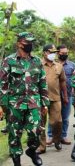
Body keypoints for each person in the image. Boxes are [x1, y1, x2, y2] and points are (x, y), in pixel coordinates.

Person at [0, 32, 49, 166]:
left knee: (36, 130)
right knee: (14, 135)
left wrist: (45, 103)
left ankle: (32, 151)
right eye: (27, 43)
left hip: (34, 103)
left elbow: (43, 83)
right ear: (19, 44)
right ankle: (17, 162)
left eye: (31, 43)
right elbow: (3, 84)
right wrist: (2, 106)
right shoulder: (8, 61)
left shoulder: (37, 61)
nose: (30, 45)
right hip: (14, 105)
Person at [37, 44, 68, 154]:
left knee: (57, 121)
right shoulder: (37, 65)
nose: (53, 54)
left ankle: (57, 140)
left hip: (55, 98)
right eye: (51, 52)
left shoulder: (59, 66)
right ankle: (42, 146)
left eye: (55, 52)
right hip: (40, 99)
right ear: (45, 52)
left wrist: (65, 96)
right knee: (40, 123)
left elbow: (63, 81)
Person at [47, 45, 75, 145]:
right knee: (53, 117)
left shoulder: (72, 65)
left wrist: (71, 93)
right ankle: (51, 136)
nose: (65, 55)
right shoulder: (53, 64)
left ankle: (63, 136)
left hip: (67, 94)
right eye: (62, 53)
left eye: (66, 53)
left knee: (65, 117)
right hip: (54, 95)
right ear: (58, 53)